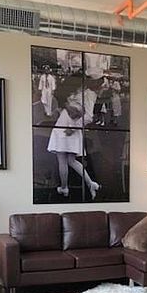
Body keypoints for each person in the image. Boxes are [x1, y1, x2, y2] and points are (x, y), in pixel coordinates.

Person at [47, 71, 103, 199]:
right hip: (66, 125)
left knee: (64, 160)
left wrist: (72, 128)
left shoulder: (88, 94)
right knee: (70, 161)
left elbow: (88, 117)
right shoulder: (82, 92)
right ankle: (88, 184)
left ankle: (66, 188)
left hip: (68, 128)